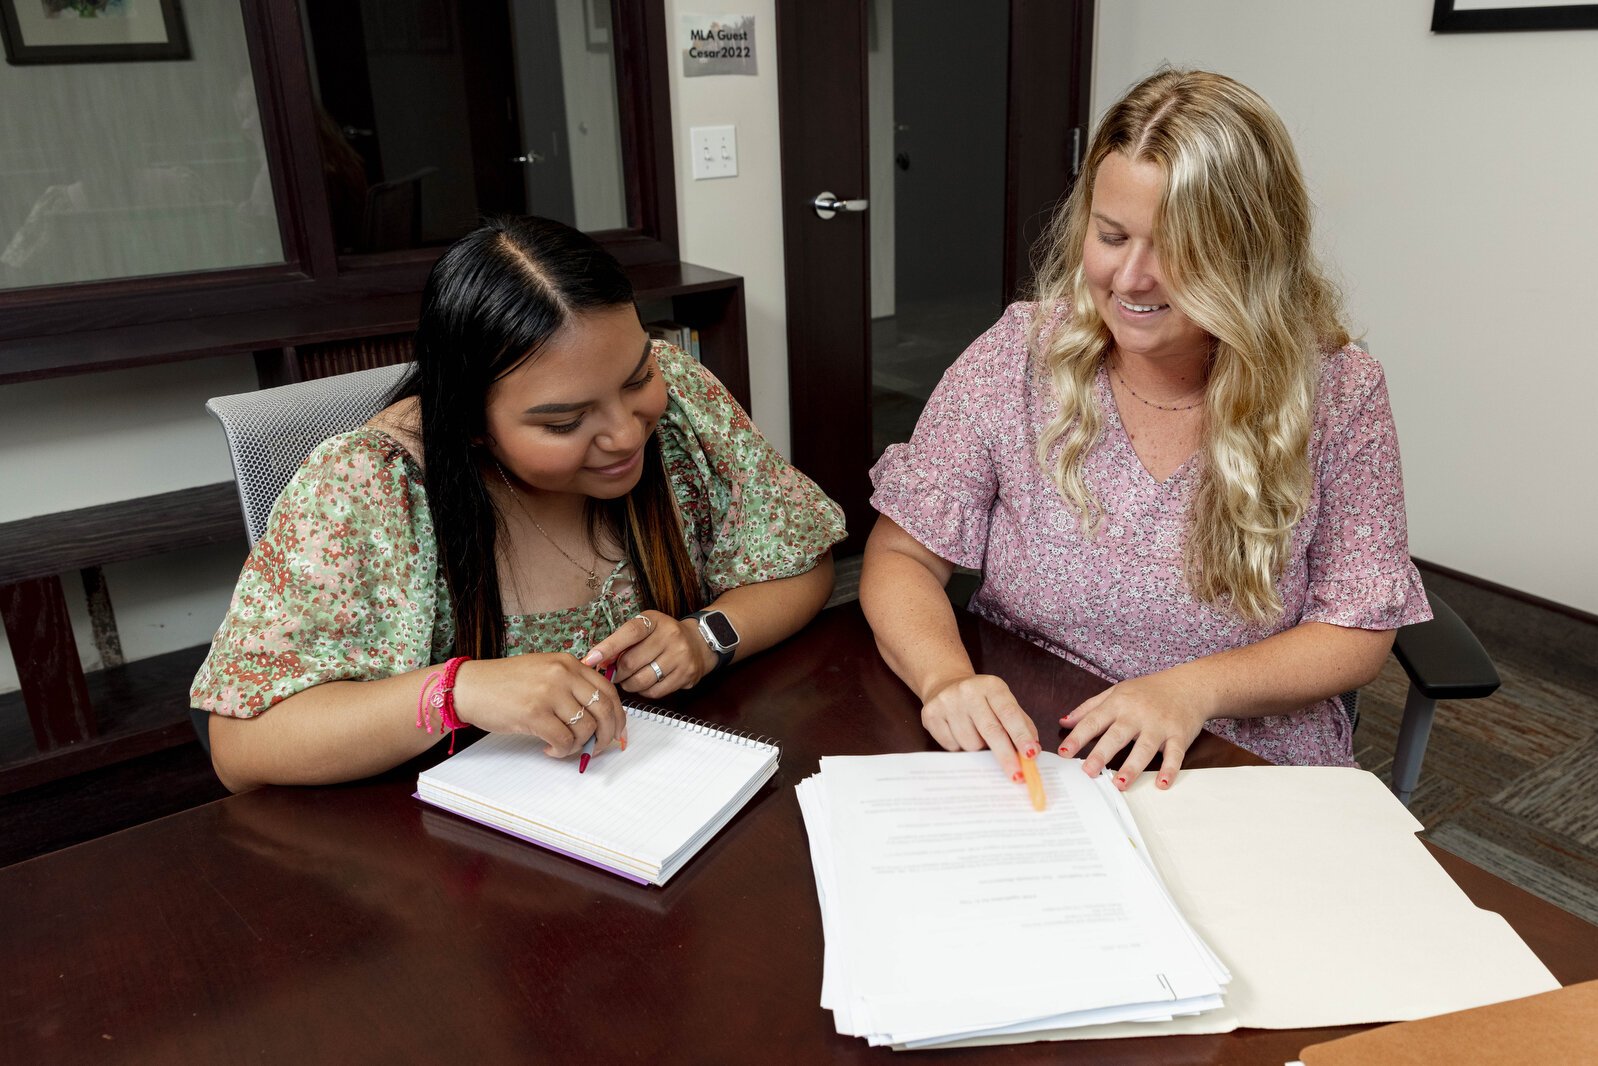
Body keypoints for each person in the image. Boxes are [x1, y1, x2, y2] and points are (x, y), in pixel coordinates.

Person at [859, 69, 1431, 793]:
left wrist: (1191, 690)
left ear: (1251, 255)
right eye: (1112, 235)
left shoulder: (1340, 393)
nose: (1129, 279)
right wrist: (945, 678)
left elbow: (1355, 633)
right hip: (1039, 743)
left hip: (1237, 758)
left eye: (1173, 247)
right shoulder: (1019, 356)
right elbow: (903, 554)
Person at [193, 216, 845, 791]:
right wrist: (458, 692)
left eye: (636, 377)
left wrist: (708, 638)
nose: (624, 433)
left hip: (652, 797)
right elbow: (242, 747)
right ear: (472, 424)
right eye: (564, 422)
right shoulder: (369, 486)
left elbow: (802, 561)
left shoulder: (678, 399)